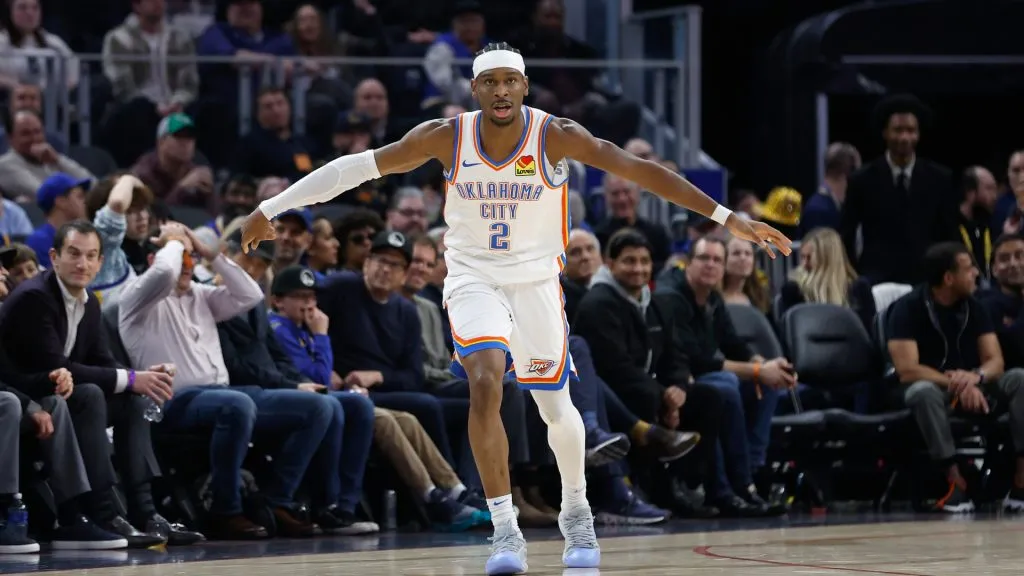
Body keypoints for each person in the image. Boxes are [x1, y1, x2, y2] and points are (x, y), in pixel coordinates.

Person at [240, 42, 791, 573]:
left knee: (556, 410)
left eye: (510, 82)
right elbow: (353, 169)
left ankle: (577, 510)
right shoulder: (445, 137)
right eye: (489, 82)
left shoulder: (554, 135)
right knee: (486, 381)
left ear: (525, 87)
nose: (501, 91)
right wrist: (274, 205)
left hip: (535, 284)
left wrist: (727, 217)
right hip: (474, 277)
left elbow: (641, 172)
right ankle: (505, 528)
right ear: (475, 89)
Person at [888, 242, 1024, 512]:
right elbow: (907, 369)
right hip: (934, 388)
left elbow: (995, 360)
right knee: (921, 391)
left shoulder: (976, 306)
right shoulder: (907, 308)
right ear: (949, 278)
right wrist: (957, 383)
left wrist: (976, 378)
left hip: (974, 385)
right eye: (968, 268)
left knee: (1020, 377)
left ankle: (1021, 480)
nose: (976, 273)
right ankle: (955, 482)